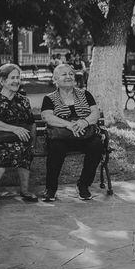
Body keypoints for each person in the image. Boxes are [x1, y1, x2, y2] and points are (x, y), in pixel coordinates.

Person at [40, 64, 103, 202]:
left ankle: (83, 185)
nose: (68, 76)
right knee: (56, 147)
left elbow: (95, 113)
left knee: (97, 145)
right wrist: (69, 125)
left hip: (85, 134)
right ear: (55, 79)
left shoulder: (85, 94)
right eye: (64, 74)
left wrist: (84, 122)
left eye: (71, 74)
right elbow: (47, 117)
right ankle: (50, 188)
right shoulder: (49, 98)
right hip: (62, 136)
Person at [0, 63, 38, 209]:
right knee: (3, 153)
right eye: (12, 78)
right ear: (2, 81)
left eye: (18, 78)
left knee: (24, 148)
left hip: (18, 141)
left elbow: (31, 124)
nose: (16, 81)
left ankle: (24, 190)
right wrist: (14, 129)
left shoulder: (23, 101)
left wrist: (33, 143)